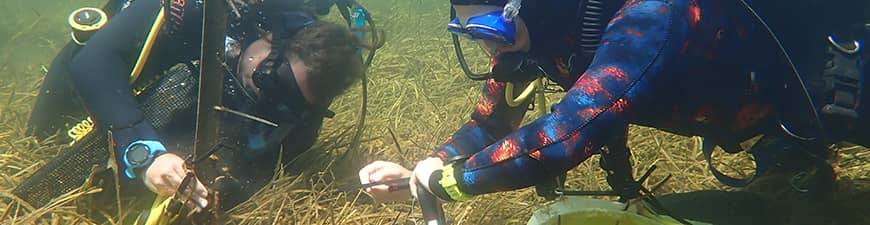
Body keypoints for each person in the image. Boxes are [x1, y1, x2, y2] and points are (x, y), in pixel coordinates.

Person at [360, 0, 869, 204]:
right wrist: (428, 166)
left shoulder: (650, 17)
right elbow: (489, 123)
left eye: (490, 26)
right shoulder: (537, 41)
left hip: (846, 91)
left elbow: (570, 133)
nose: (486, 45)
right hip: (780, 124)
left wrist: (443, 186)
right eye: (467, 32)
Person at [20, 0, 364, 217]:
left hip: (172, 100)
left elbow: (279, 156)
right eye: (273, 79)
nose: (264, 96)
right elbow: (92, 62)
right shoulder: (201, 9)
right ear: (269, 36)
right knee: (43, 143)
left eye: (284, 100)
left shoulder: (300, 104)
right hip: (102, 76)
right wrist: (146, 152)